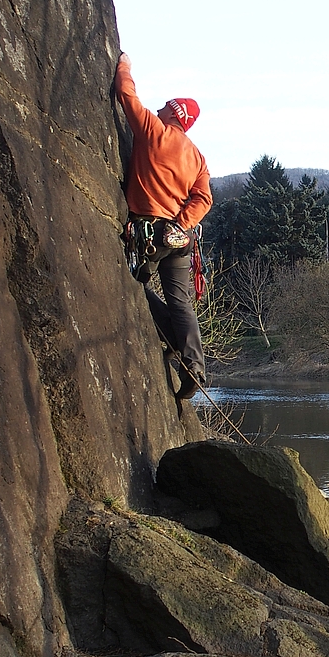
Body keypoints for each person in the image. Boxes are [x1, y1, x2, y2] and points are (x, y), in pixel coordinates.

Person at [114, 52, 212, 400]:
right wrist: (182, 225)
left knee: (133, 287)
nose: (157, 110)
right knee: (180, 302)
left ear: (174, 114)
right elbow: (204, 199)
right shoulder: (197, 157)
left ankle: (174, 344)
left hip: (148, 233)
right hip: (180, 238)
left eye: (164, 108)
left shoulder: (154, 131)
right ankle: (194, 367)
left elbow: (126, 95)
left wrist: (123, 64)